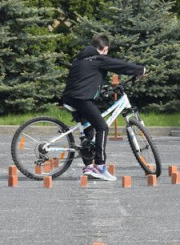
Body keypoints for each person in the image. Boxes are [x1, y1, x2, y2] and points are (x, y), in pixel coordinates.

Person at [61, 33, 145, 181]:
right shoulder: (98, 58)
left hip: (71, 98)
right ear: (105, 48)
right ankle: (99, 166)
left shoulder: (81, 59)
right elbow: (119, 65)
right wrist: (139, 70)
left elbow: (87, 79)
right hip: (82, 99)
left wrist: (103, 89)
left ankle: (89, 167)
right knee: (103, 127)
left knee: (89, 129)